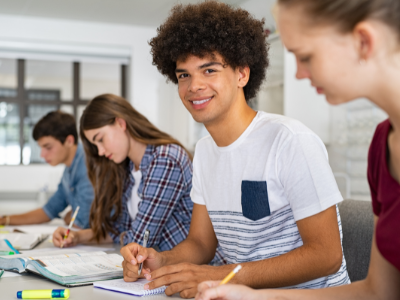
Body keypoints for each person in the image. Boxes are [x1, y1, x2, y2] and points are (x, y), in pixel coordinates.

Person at [120, 1, 350, 298]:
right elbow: (202, 244)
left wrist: (223, 275)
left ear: (242, 74)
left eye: (209, 70)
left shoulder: (290, 141)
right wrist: (160, 260)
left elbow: (327, 255)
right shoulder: (203, 151)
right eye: (183, 75)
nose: (194, 86)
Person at [195, 0, 400, 300]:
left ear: (363, 41)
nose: (299, 74)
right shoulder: (382, 144)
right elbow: (379, 292)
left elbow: (328, 257)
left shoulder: (291, 139)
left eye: (305, 57)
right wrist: (254, 296)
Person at [52, 94, 221, 262]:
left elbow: (141, 241)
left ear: (120, 123)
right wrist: (76, 236)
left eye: (101, 140)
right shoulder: (129, 168)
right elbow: (119, 230)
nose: (101, 151)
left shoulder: (165, 159)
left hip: (199, 272)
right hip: (160, 273)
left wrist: (125, 234)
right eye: (96, 146)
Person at [0, 111, 94, 229]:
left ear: (69, 141)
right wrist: (5, 220)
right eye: (41, 148)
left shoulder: (88, 165)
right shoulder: (69, 170)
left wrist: (69, 217)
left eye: (48, 147)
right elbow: (50, 210)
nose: (42, 155)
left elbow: (82, 222)